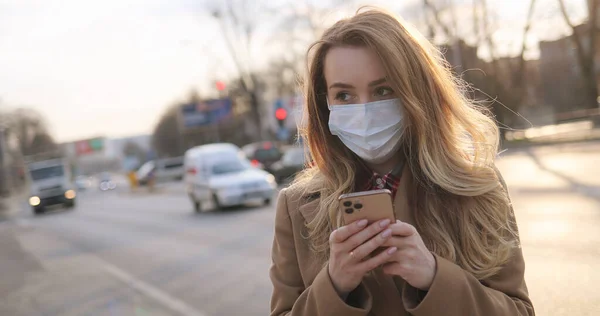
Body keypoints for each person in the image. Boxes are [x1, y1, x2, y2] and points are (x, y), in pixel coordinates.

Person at [269, 8, 535, 316]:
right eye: (344, 95)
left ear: (416, 92)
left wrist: (435, 277)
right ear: (325, 103)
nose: (365, 110)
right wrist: (334, 286)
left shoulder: (477, 187)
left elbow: (519, 311)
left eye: (383, 90)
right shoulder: (296, 207)